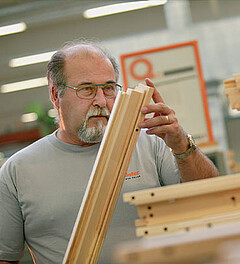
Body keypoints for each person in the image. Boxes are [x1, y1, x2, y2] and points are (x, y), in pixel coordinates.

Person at [0, 40, 219, 264]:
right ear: (56, 95)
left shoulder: (151, 143)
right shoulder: (18, 171)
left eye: (108, 88)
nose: (101, 101)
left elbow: (212, 203)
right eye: (86, 89)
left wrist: (182, 145)